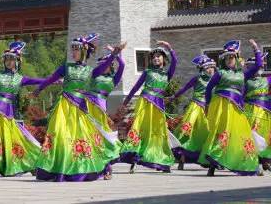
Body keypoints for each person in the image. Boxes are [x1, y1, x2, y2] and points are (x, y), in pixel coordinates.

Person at [33, 33, 117, 182]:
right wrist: (39, 89)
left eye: (76, 50)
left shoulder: (91, 71)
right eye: (72, 50)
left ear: (84, 51)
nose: (73, 53)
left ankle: (96, 167)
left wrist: (115, 54)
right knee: (59, 134)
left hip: (80, 108)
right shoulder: (66, 67)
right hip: (64, 107)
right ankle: (57, 168)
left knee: (83, 136)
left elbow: (104, 66)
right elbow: (51, 78)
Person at [0, 41, 44, 177]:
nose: (8, 62)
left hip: (8, 111)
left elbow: (38, 80)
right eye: (6, 59)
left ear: (18, 61)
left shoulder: (20, 79)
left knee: (10, 138)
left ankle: (11, 164)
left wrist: (54, 80)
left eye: (12, 59)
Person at [200, 40, 264, 176]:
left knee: (242, 132)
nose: (229, 60)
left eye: (232, 57)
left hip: (237, 108)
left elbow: (258, 64)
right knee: (222, 132)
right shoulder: (220, 73)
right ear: (224, 60)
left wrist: (255, 48)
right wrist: (208, 105)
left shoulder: (243, 74)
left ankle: (246, 162)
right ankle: (212, 165)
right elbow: (209, 89)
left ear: (236, 58)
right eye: (227, 57)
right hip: (222, 107)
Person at [119, 41, 179, 173]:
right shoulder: (147, 72)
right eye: (154, 57)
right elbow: (136, 87)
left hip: (158, 104)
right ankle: (134, 157)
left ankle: (161, 160)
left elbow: (175, 62)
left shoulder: (166, 74)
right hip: (145, 102)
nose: (156, 58)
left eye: (159, 56)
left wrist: (169, 48)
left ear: (164, 58)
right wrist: (126, 101)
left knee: (159, 131)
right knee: (140, 128)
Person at [84, 42, 126, 179]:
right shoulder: (95, 74)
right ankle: (88, 166)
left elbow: (123, 65)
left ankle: (107, 167)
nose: (104, 66)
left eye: (107, 64)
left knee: (103, 138)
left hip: (101, 109)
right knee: (88, 136)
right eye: (102, 64)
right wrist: (113, 54)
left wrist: (116, 53)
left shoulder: (114, 79)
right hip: (88, 107)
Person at [169, 55, 215, 170]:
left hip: (208, 108)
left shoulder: (215, 80)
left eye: (212, 67)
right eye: (208, 67)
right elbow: (184, 88)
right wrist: (173, 97)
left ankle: (206, 159)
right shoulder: (197, 78)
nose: (210, 70)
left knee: (207, 133)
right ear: (203, 68)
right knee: (186, 131)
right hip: (196, 107)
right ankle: (182, 158)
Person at [243, 51, 270, 174]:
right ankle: (255, 162)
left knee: (264, 136)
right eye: (250, 66)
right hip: (251, 111)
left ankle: (265, 160)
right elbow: (241, 96)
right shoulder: (246, 82)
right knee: (253, 136)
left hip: (265, 112)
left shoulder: (268, 80)